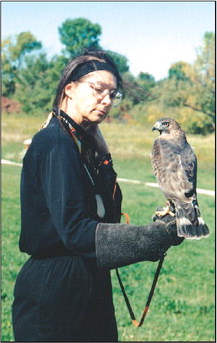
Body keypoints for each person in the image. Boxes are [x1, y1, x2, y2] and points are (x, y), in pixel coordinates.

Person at [12, 49, 183, 342]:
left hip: (87, 283)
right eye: (98, 89)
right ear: (70, 88)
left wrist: (103, 155)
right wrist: (153, 237)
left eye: (112, 94)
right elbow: (76, 232)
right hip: (55, 292)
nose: (106, 100)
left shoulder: (79, 142)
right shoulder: (56, 142)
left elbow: (108, 214)